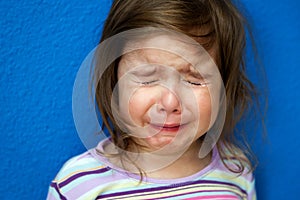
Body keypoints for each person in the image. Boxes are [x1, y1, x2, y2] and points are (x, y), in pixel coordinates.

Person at [47, 0, 265, 199]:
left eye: (194, 80)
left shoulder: (236, 170)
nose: (170, 103)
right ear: (114, 82)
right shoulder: (78, 184)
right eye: (147, 78)